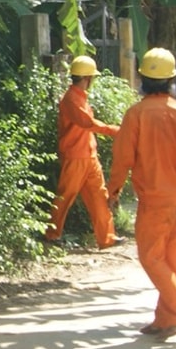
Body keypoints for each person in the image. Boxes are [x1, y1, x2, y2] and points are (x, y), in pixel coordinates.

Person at [106, 48, 176, 335]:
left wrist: (112, 189)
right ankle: (166, 318)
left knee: (151, 257)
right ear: (171, 81)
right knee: (170, 260)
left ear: (142, 79)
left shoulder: (136, 114)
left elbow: (123, 158)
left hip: (154, 201)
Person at [43, 55, 119, 248]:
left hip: (89, 156)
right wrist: (114, 130)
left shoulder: (80, 98)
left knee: (100, 197)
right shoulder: (70, 99)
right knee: (65, 196)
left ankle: (107, 238)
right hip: (75, 156)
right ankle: (52, 235)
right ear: (88, 78)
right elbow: (86, 123)